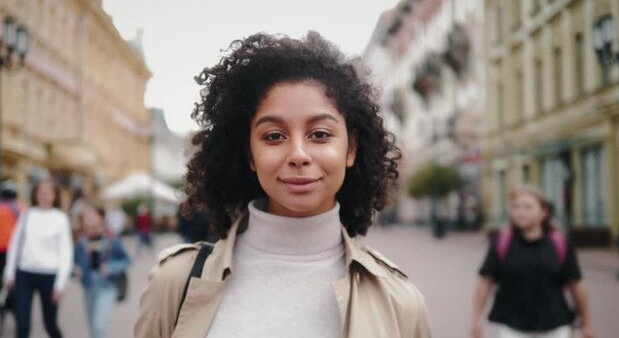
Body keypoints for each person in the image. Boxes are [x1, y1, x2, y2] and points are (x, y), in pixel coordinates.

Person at [135, 32, 431, 338]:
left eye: (319, 134)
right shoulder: (175, 283)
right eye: (274, 136)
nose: (298, 155)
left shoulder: (400, 302)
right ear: (250, 154)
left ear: (351, 148)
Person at [472, 186, 594, 338]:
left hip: (555, 328)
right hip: (513, 328)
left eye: (527, 207)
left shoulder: (559, 243)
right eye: (516, 207)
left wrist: (587, 323)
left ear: (543, 212)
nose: (520, 212)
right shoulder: (502, 242)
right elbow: (485, 281)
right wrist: (476, 319)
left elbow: (576, 284)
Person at [4, 178, 73, 338]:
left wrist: (60, 284)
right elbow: (15, 244)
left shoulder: (60, 218)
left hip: (49, 275)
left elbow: (66, 253)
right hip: (24, 274)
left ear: (55, 195)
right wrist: (9, 272)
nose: (45, 195)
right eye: (41, 191)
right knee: (22, 325)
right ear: (35, 194)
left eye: (49, 191)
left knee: (50, 325)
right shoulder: (26, 215)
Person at [74, 204, 131, 338]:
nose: (87, 218)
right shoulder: (81, 241)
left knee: (99, 325)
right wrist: (75, 269)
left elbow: (126, 260)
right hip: (88, 286)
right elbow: (74, 261)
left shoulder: (112, 239)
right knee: (92, 326)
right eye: (86, 216)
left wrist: (110, 268)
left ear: (100, 218)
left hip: (107, 286)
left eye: (91, 214)